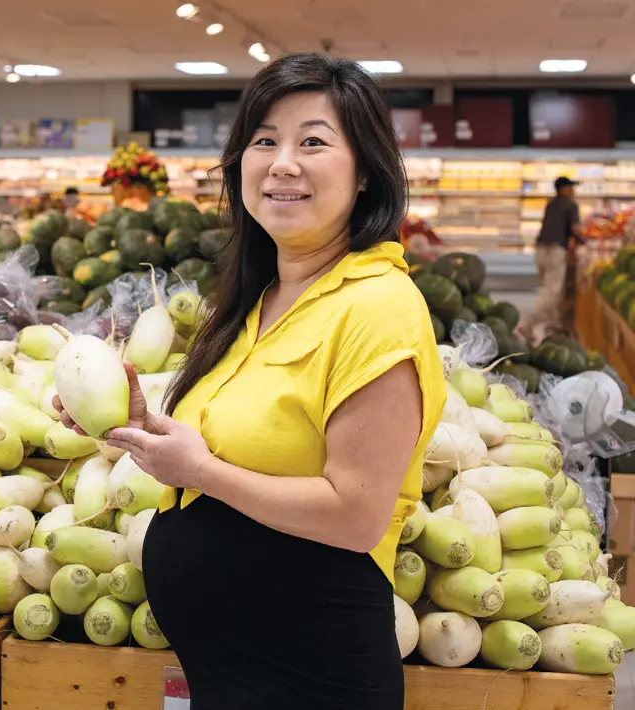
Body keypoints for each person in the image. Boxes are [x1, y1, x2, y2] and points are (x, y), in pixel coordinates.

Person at [55, 52, 445, 709]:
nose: (282, 163)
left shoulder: (378, 305)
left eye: (313, 142)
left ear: (366, 177)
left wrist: (201, 473)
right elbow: (242, 445)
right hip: (232, 674)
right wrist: (145, 429)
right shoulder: (259, 298)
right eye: (264, 141)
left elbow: (355, 514)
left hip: (311, 674)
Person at [518, 175, 582, 342]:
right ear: (564, 189)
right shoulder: (571, 205)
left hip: (540, 249)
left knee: (549, 289)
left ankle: (554, 326)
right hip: (555, 250)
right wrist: (586, 241)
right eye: (571, 187)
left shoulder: (551, 203)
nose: (573, 191)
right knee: (552, 291)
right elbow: (576, 230)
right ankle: (527, 324)